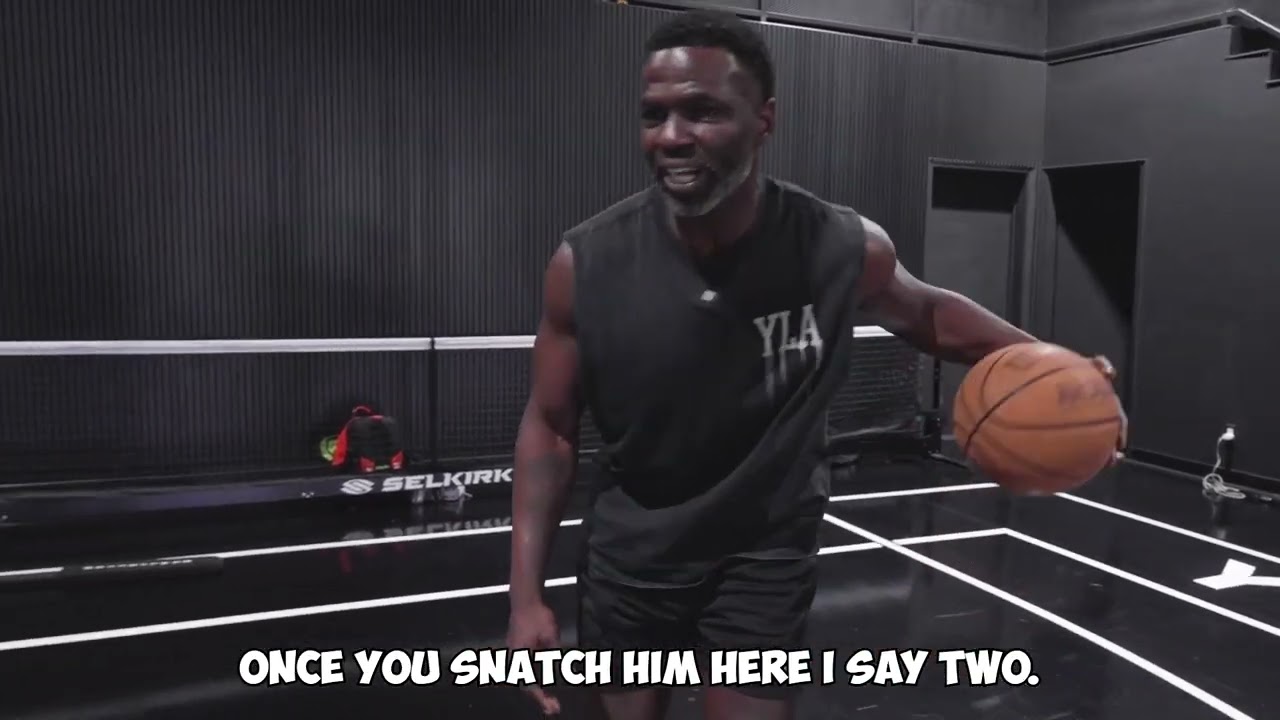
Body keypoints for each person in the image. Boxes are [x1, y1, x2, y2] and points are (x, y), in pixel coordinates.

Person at [506, 9, 1124, 720]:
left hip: (765, 558)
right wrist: (525, 598)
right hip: (634, 557)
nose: (671, 136)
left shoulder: (839, 245)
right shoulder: (586, 264)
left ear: (764, 119)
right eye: (654, 115)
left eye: (703, 112)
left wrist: (1070, 376)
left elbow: (931, 314)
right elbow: (549, 426)